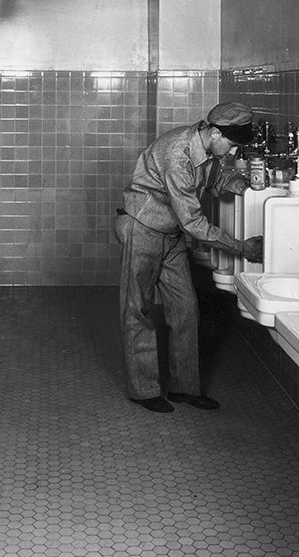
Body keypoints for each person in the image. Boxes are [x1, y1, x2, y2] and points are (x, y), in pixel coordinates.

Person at [114, 102, 264, 413]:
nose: (234, 153)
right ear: (215, 132)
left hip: (170, 234)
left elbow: (211, 180)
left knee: (185, 308)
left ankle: (184, 387)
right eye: (233, 145)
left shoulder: (208, 150)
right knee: (137, 308)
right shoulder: (177, 153)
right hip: (143, 227)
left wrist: (241, 184)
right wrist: (240, 247)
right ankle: (143, 390)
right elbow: (193, 223)